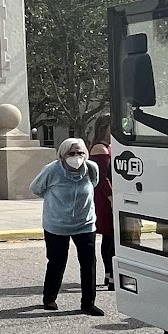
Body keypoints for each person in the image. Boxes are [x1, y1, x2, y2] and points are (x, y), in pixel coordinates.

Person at [29, 137, 104, 315]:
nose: (76, 156)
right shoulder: (52, 170)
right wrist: (56, 205)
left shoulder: (91, 169)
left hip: (84, 223)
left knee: (88, 263)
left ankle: (88, 303)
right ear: (63, 155)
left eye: (80, 153)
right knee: (57, 262)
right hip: (56, 224)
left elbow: (94, 184)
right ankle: (49, 298)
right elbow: (36, 188)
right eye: (72, 153)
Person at [89, 115, 115, 290]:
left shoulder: (110, 147)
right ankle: (110, 273)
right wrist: (111, 197)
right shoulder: (100, 148)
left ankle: (110, 274)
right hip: (104, 198)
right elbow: (103, 177)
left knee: (111, 237)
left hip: (109, 196)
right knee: (110, 236)